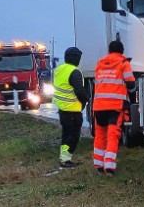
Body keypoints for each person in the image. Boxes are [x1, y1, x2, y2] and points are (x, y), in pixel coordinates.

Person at [91, 40, 135, 175]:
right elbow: (131, 83)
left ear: (109, 50)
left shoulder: (100, 63)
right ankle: (109, 166)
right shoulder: (123, 63)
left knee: (100, 134)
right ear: (122, 51)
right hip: (115, 106)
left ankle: (98, 165)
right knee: (113, 135)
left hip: (99, 106)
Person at [52, 47, 89, 168]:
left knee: (66, 135)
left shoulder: (59, 70)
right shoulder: (75, 72)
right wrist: (86, 101)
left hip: (62, 109)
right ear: (77, 59)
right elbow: (79, 91)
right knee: (73, 137)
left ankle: (64, 158)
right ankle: (65, 159)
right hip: (73, 110)